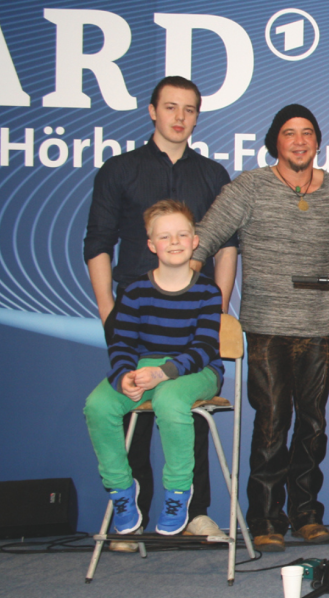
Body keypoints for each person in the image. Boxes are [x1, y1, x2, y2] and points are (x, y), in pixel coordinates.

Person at [191, 104, 329, 552]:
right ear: (276, 141)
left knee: (313, 425)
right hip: (266, 327)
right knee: (273, 423)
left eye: (307, 133)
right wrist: (183, 287)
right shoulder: (249, 187)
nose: (299, 141)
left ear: (317, 141)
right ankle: (265, 518)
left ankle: (307, 515)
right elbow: (208, 235)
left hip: (321, 327)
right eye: (290, 133)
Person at [83, 76, 236, 546]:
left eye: (189, 109)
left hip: (194, 314)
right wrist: (110, 310)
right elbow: (98, 243)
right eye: (170, 107)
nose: (179, 117)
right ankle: (133, 511)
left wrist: (218, 308)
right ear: (153, 111)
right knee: (130, 409)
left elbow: (227, 246)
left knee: (179, 406)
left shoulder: (212, 175)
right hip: (136, 310)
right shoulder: (120, 169)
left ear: (196, 115)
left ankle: (195, 511)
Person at [84, 200, 224, 537]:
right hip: (145, 368)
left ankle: (178, 492)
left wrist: (163, 372)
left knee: (169, 400)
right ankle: (120, 490)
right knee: (98, 405)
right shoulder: (135, 291)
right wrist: (123, 377)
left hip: (196, 371)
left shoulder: (207, 291)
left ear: (194, 241)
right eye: (165, 237)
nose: (174, 242)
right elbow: (121, 344)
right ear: (151, 245)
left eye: (182, 235)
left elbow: (205, 348)